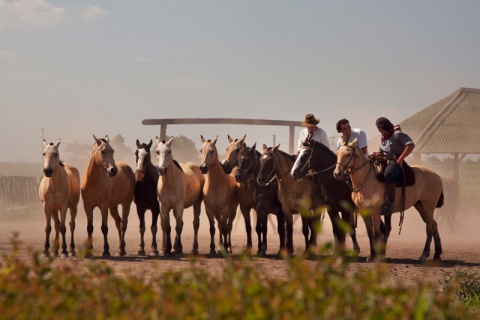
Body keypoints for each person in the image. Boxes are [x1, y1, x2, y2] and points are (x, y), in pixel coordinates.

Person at [374, 117, 415, 216]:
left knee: (388, 174)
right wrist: (378, 155)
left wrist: (400, 159)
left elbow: (410, 145)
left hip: (395, 160)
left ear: (384, 127)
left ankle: (390, 203)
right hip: (385, 160)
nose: (379, 131)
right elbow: (382, 150)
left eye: (379, 128)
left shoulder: (397, 135)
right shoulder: (384, 137)